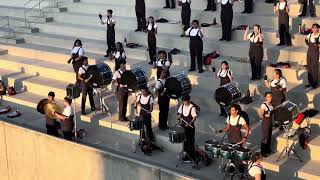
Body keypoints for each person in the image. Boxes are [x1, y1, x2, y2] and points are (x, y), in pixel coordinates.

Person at [177, 95, 198, 163]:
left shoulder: (192, 108)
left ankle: (193, 158)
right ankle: (186, 156)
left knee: (190, 143)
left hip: (190, 128)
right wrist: (179, 117)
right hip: (183, 127)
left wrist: (190, 123)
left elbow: (194, 117)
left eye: (186, 102)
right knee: (185, 142)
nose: (185, 103)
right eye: (184, 102)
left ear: (189, 101)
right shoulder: (182, 106)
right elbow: (180, 113)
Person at [305, 23, 320, 89]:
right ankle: (310, 82)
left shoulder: (319, 36)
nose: (313, 29)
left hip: (315, 54)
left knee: (314, 68)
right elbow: (306, 41)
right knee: (309, 68)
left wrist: (317, 45)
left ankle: (315, 83)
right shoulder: (310, 35)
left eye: (315, 28)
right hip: (309, 53)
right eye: (313, 28)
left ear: (318, 29)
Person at [259, 92, 274, 156]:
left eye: (270, 96)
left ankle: (268, 149)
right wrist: (265, 115)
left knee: (269, 136)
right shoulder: (264, 105)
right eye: (268, 96)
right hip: (265, 122)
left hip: (270, 121)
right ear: (266, 98)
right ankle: (263, 152)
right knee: (265, 137)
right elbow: (261, 115)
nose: (269, 98)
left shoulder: (271, 105)